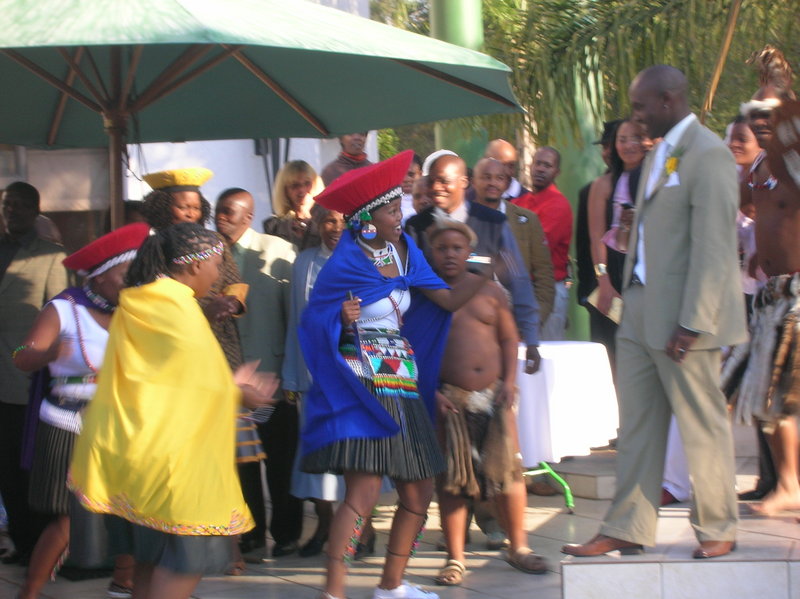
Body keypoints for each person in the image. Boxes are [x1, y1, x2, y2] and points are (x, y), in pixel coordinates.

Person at [562, 65, 746, 560]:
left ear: (668, 100)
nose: (635, 117)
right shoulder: (659, 151)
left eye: (641, 106)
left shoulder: (708, 154)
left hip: (685, 317)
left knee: (699, 422)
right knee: (638, 425)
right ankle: (627, 525)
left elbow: (713, 247)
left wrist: (693, 322)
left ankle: (716, 527)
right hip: (638, 306)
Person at [299, 150, 489, 599]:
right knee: (361, 497)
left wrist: (485, 273)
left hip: (402, 381)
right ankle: (334, 591)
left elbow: (443, 300)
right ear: (367, 218)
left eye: (398, 207)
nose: (399, 216)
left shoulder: (406, 254)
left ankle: (391, 585)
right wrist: (341, 321)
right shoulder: (345, 264)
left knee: (418, 496)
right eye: (390, 210)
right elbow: (312, 322)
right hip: (363, 386)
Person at [69, 222, 279, 599]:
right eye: (216, 264)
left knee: (150, 564)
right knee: (182, 564)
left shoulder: (143, 301)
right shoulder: (174, 308)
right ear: (195, 265)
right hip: (171, 462)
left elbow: (170, 377)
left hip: (137, 451)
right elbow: (198, 382)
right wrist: (240, 394)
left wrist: (230, 386)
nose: (218, 275)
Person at [13, 223, 149, 599]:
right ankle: (30, 590)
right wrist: (47, 354)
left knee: (129, 507)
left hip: (120, 423)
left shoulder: (137, 313)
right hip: (68, 421)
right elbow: (19, 357)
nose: (132, 283)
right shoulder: (64, 309)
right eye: (126, 275)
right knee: (69, 516)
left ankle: (125, 580)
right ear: (100, 276)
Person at [428, 216, 549, 587]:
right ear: (431, 253)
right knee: (454, 480)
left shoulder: (491, 291)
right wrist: (430, 392)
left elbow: (509, 340)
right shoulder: (425, 294)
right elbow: (413, 350)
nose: (450, 254)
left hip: (494, 395)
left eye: (457, 248)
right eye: (442, 248)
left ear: (469, 252)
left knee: (509, 474)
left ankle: (519, 546)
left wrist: (510, 382)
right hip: (450, 399)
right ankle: (455, 557)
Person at [725, 46, 800, 515]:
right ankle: (787, 483)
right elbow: (741, 211)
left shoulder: (796, 163)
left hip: (797, 295)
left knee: (785, 396)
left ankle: (790, 485)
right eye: (754, 116)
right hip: (770, 295)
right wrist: (757, 255)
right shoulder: (757, 169)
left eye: (768, 114)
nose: (760, 121)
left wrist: (779, 84)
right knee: (770, 399)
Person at [215, 188, 302, 559]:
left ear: (248, 216)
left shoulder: (277, 251)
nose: (220, 218)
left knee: (279, 459)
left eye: (228, 213)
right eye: (218, 211)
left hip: (269, 381)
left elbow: (293, 316)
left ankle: (286, 533)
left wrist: (289, 373)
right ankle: (250, 533)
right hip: (228, 383)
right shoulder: (208, 255)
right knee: (242, 463)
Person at [406, 153, 542, 375]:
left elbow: (518, 279)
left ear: (463, 183)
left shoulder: (492, 223)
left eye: (444, 181)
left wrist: (532, 340)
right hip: (434, 348)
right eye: (431, 181)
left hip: (481, 344)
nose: (436, 187)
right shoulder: (415, 227)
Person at [0, 181, 67, 565]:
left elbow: (60, 318)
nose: (14, 211)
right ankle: (22, 543)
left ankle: (42, 546)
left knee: (28, 464)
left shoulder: (52, 256)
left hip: (27, 377)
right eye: (9, 204)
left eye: (23, 205)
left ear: (36, 210)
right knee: (4, 468)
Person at [283, 204, 346, 557]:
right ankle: (323, 524)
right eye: (328, 220)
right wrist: (292, 375)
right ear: (317, 225)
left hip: (355, 380)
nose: (335, 227)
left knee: (357, 460)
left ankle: (357, 534)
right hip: (314, 377)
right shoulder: (305, 262)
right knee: (317, 457)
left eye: (342, 221)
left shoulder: (369, 262)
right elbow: (296, 321)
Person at [587, 119, 648, 368]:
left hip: (649, 267)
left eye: (635, 138)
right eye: (621, 140)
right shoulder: (603, 185)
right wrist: (603, 280)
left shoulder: (659, 180)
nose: (628, 145)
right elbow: (596, 237)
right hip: (613, 267)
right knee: (612, 350)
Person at [472, 157, 555, 323]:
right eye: (486, 177)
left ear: (507, 183)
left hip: (520, 320)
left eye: (499, 178)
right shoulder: (461, 220)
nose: (492, 183)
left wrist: (534, 320)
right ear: (473, 181)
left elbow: (544, 275)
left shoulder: (527, 220)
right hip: (475, 321)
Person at [512, 147, 573, 340]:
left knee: (548, 357)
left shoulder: (559, 205)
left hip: (547, 290)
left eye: (547, 165)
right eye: (537, 163)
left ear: (557, 172)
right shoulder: (519, 202)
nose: (540, 169)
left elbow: (534, 251)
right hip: (519, 290)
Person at [263, 160, 325, 251]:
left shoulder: (328, 221)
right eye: (295, 185)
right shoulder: (273, 227)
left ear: (315, 185)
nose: (302, 190)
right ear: (285, 190)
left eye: (307, 183)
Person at [400, 154, 423, 226]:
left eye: (411, 174)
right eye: (401, 174)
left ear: (421, 174)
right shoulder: (389, 202)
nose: (406, 179)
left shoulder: (429, 199)